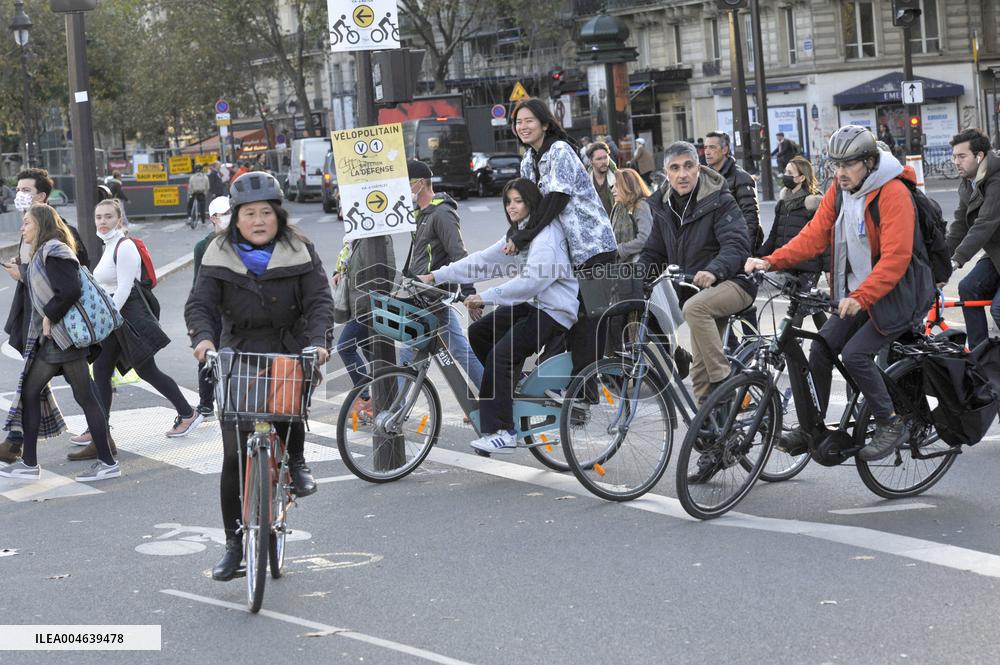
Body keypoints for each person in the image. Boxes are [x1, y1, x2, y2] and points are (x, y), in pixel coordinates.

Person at [746, 125, 934, 462]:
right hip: (860, 293)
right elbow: (814, 235)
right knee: (820, 349)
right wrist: (770, 261)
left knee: (856, 355)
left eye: (848, 165)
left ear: (869, 162)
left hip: (899, 295)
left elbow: (896, 258)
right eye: (835, 165)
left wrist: (860, 297)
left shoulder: (893, 193)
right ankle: (812, 429)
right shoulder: (841, 190)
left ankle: (891, 421)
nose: (839, 172)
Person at [186, 171, 333, 581]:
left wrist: (318, 340)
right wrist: (203, 341)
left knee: (289, 410)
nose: (258, 221)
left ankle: (297, 460)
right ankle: (234, 545)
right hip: (238, 352)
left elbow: (320, 300)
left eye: (266, 212)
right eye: (249, 213)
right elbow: (200, 305)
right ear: (236, 218)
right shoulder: (218, 253)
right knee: (234, 455)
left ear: (278, 215)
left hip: (290, 346)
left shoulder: (299, 249)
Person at [419, 178, 577, 454]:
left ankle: (503, 431)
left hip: (554, 311)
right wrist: (435, 276)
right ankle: (508, 394)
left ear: (531, 203)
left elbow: (531, 282)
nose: (512, 207)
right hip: (534, 304)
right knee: (479, 333)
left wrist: (486, 296)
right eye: (508, 202)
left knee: (500, 356)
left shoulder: (546, 236)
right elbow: (482, 261)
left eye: (519, 201)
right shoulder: (520, 233)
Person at [71, 198, 203, 457]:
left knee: (147, 370)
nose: (103, 222)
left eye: (108, 217)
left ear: (119, 220)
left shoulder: (125, 245)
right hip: (115, 322)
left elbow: (124, 287)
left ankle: (187, 413)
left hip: (126, 320)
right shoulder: (109, 246)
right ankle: (99, 429)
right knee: (101, 371)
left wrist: (106, 319)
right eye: (99, 217)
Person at [640, 141, 755, 427]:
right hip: (699, 293)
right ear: (666, 173)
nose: (683, 174)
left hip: (734, 282)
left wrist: (715, 270)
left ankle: (725, 379)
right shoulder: (664, 208)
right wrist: (634, 278)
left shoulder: (719, 198)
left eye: (689, 166)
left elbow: (737, 243)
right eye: (675, 168)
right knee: (698, 376)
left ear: (698, 168)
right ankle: (711, 438)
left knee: (694, 310)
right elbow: (654, 253)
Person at [0, 204, 118, 482]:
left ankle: (32, 464)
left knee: (34, 392)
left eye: (27, 223)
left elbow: (70, 289)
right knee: (83, 395)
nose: (22, 228)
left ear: (40, 224)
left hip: (61, 338)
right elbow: (51, 283)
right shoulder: (49, 250)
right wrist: (24, 273)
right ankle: (104, 460)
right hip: (63, 339)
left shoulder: (55, 250)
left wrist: (49, 317)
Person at [507, 98, 619, 385]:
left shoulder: (559, 151)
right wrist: (514, 232)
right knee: (560, 315)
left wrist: (527, 234)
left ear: (545, 123)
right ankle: (562, 383)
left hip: (593, 246)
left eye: (529, 120)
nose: (523, 126)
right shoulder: (528, 160)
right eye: (519, 122)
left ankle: (585, 390)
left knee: (585, 322)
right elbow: (527, 204)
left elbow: (557, 198)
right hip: (565, 254)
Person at [0, 168, 89, 464]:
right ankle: (17, 444)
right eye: (18, 188)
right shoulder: (29, 227)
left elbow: (72, 274)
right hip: (37, 321)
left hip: (56, 326)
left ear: (41, 196)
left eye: (25, 189)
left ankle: (18, 447)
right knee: (42, 385)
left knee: (40, 385)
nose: (18, 194)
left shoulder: (58, 230)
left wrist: (24, 274)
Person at [399, 159, 484, 390]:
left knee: (407, 350)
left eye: (408, 183)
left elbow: (459, 255)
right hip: (422, 293)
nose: (406, 188)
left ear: (421, 183)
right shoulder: (421, 213)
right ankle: (493, 394)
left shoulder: (442, 213)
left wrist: (469, 292)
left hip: (432, 295)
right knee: (458, 349)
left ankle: (392, 410)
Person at [759, 155, 829, 329]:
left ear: (801, 177)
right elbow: (775, 235)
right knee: (812, 306)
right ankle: (830, 340)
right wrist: (758, 257)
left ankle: (790, 346)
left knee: (796, 310)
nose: (785, 175)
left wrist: (828, 269)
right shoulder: (783, 203)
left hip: (810, 267)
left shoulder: (813, 204)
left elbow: (825, 238)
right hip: (791, 265)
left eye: (790, 172)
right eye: (785, 172)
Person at [947, 128, 1000, 349]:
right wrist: (939, 260)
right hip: (996, 256)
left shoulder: (996, 181)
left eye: (961, 156)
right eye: (954, 157)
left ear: (979, 156)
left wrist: (957, 259)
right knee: (969, 288)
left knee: (998, 308)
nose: (956, 162)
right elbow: (959, 226)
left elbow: (984, 224)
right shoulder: (968, 183)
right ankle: (982, 359)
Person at [190, 196, 231, 418]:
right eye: (225, 214)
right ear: (213, 218)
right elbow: (199, 283)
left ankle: (231, 399)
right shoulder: (202, 246)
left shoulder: (240, 239)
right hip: (213, 310)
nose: (230, 217)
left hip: (235, 310)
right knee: (207, 355)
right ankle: (206, 402)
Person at [704, 131, 761, 252]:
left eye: (712, 147)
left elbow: (750, 218)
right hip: (713, 246)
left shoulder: (741, 177)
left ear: (725, 150)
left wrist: (745, 251)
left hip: (735, 244)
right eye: (705, 147)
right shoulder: (704, 178)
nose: (707, 152)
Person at [610, 168, 652, 263]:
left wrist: (621, 249)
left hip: (639, 265)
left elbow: (644, 239)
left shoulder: (641, 206)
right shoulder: (620, 207)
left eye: (617, 186)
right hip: (623, 265)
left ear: (628, 187)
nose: (612, 190)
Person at [587, 141, 616, 217]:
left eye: (605, 157)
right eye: (599, 159)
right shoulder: (586, 183)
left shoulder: (618, 179)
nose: (603, 161)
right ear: (591, 161)